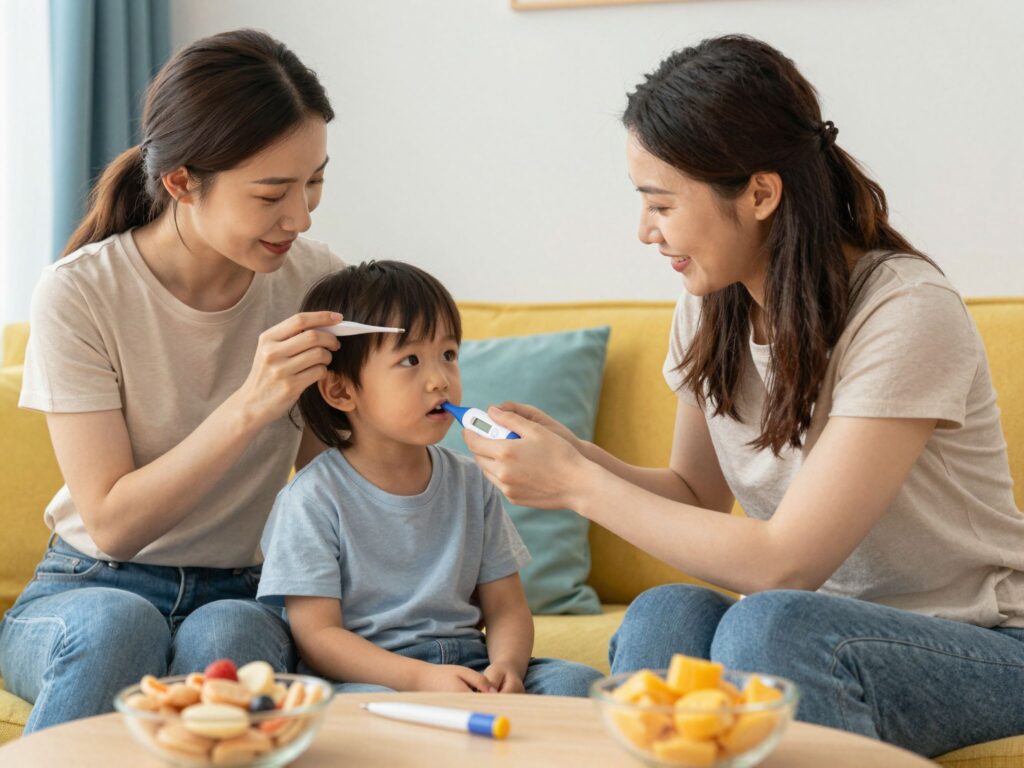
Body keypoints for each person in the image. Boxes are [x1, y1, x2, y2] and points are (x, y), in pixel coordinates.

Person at [462, 35, 1024, 757]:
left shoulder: (905, 311)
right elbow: (693, 494)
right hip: (814, 626)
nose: (644, 231)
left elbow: (785, 564)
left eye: (660, 203)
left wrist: (576, 487)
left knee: (772, 624)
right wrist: (576, 456)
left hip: (985, 641)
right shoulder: (709, 305)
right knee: (667, 616)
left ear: (760, 192)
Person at [0, 29, 345, 732]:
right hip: (90, 586)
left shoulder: (313, 280)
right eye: (273, 192)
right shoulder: (80, 294)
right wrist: (251, 406)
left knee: (232, 642)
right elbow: (114, 524)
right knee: (120, 627)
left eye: (315, 183)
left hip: (237, 586)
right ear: (182, 181)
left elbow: (329, 487)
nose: (301, 216)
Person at [256, 260, 602, 697]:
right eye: (411, 360)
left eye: (449, 355)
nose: (440, 380)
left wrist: (507, 667)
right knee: (362, 712)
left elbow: (507, 607)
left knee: (579, 684)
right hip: (372, 677)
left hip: (469, 663)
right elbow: (318, 637)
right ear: (341, 391)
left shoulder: (472, 483)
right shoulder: (311, 499)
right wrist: (419, 678)